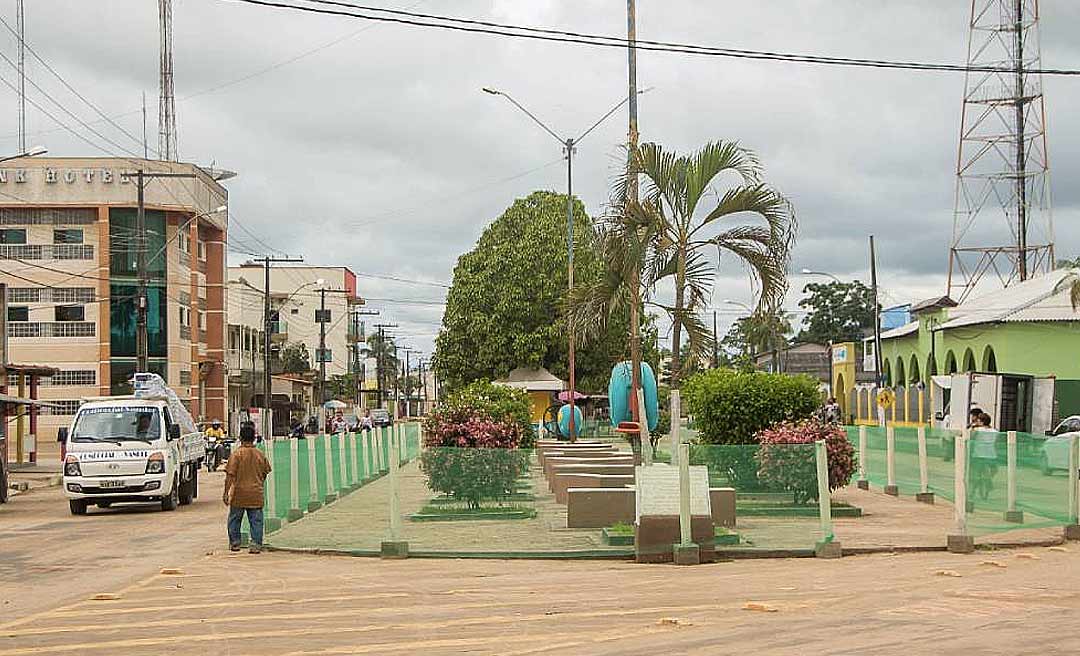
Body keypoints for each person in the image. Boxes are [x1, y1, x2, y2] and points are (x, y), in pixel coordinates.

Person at [224, 428, 272, 554]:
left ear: (240, 438)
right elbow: (265, 472)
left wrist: (226, 492)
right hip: (256, 493)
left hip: (239, 494)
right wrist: (258, 483)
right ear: (254, 438)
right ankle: (256, 544)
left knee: (235, 519)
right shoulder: (260, 454)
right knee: (256, 521)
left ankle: (235, 543)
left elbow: (230, 475)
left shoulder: (236, 455)